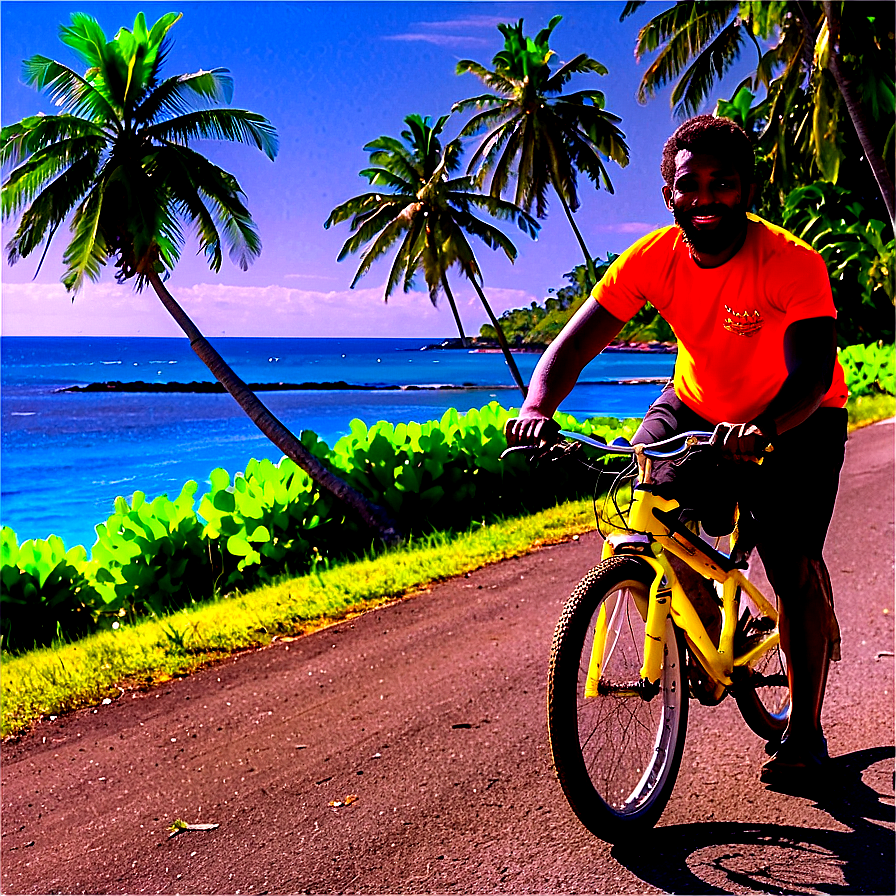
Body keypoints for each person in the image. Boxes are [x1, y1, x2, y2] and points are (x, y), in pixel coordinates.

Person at [505, 115, 848, 784]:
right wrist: (537, 406)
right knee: (643, 504)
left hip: (797, 418)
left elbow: (811, 371)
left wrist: (768, 429)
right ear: (669, 193)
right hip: (695, 403)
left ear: (747, 188)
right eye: (691, 185)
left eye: (724, 184)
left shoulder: (791, 263)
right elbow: (574, 343)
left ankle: (804, 731)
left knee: (788, 563)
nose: (707, 198)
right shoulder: (652, 259)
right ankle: (700, 634)